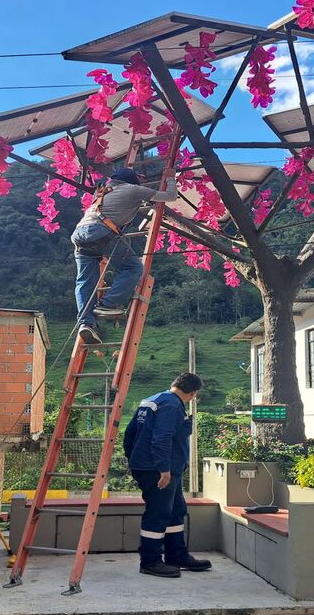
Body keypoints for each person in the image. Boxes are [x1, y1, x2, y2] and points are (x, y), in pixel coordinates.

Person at [70, 167, 177, 345]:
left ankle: (86, 323)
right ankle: (107, 304)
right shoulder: (132, 189)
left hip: (79, 235)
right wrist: (171, 179)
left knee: (85, 282)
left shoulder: (102, 191)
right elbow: (170, 196)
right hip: (101, 232)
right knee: (133, 268)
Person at [122, 372, 212, 578]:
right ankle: (150, 561)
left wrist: (133, 459)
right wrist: (163, 469)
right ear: (193, 393)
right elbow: (162, 438)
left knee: (175, 510)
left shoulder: (153, 400)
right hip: (160, 470)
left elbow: (130, 433)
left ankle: (176, 555)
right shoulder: (172, 406)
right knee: (159, 513)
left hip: (151, 467)